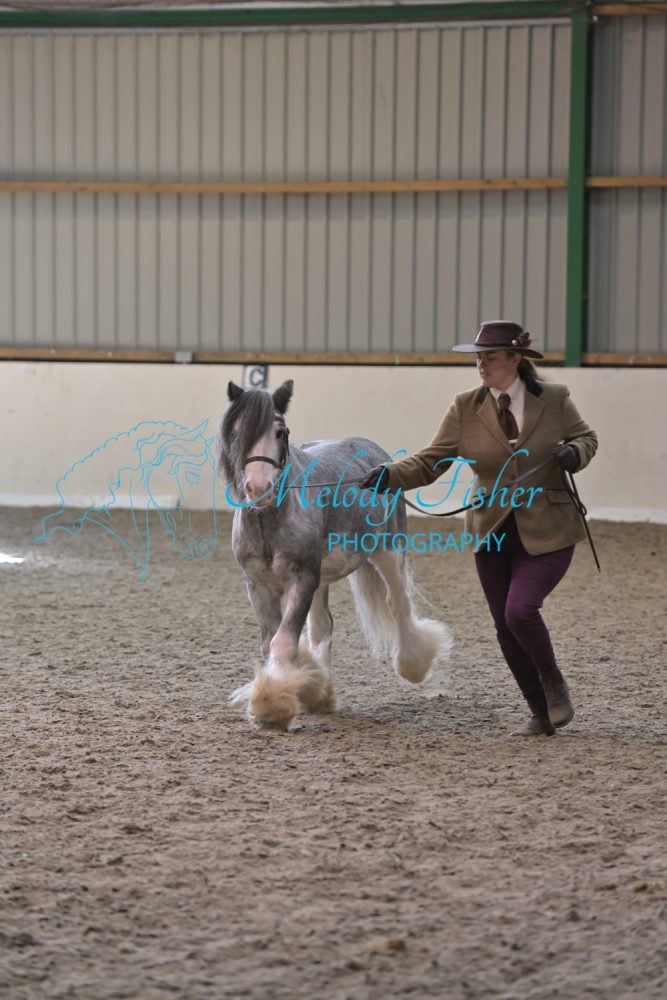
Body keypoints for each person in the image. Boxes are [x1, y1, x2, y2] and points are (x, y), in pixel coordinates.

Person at [361, 321, 598, 736]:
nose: (480, 365)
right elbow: (431, 460)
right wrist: (390, 475)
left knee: (520, 611)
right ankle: (540, 712)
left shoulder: (555, 399)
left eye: (489, 357)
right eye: (477, 358)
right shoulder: (465, 407)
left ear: (515, 358)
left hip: (550, 528)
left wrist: (574, 452)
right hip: (491, 530)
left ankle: (553, 681)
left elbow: (587, 438)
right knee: (505, 626)